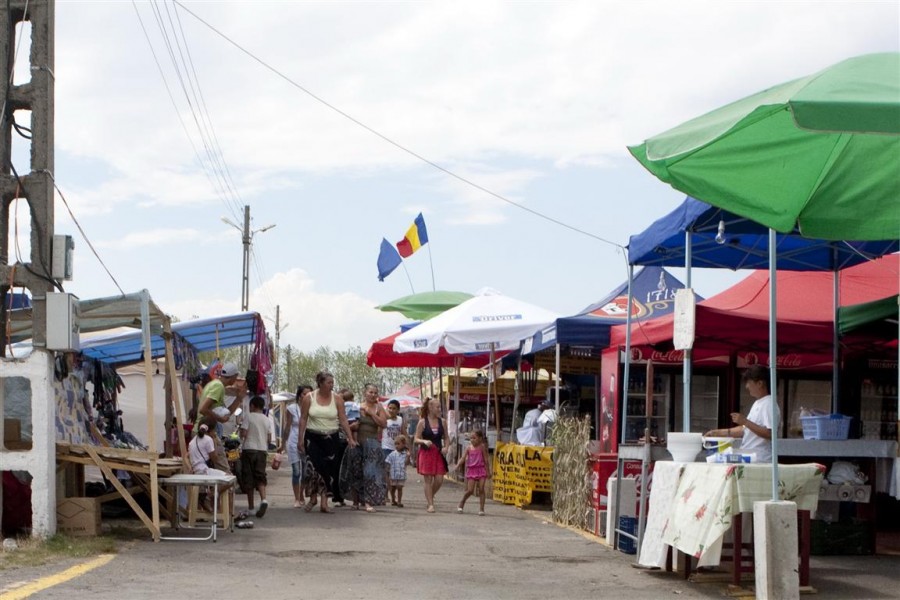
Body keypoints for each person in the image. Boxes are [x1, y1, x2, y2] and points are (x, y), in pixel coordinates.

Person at [298, 370, 357, 513]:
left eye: (332, 382)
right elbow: (304, 418)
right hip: (313, 438)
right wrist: (300, 439)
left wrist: (350, 437)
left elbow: (343, 419)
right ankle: (313, 498)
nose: (332, 385)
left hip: (331, 438)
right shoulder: (309, 398)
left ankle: (324, 502)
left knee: (328, 470)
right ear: (320, 383)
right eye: (329, 382)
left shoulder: (337, 399)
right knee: (313, 469)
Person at [705, 365, 778, 463]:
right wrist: (718, 432)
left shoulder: (769, 403)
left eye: (749, 382)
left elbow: (770, 433)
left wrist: (745, 421)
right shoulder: (759, 403)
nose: (747, 386)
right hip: (751, 456)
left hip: (760, 458)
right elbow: (746, 430)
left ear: (760, 383)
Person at [196, 362, 247, 471]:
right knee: (225, 473)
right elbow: (203, 409)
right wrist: (220, 419)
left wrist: (238, 399)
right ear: (233, 377)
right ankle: (219, 488)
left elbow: (226, 414)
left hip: (205, 432)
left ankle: (213, 488)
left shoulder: (214, 384)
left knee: (206, 471)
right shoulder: (218, 387)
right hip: (207, 433)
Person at [347, 383, 388, 512]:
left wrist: (371, 414)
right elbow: (349, 424)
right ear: (365, 393)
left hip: (372, 443)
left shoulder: (379, 407)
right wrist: (352, 434)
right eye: (370, 392)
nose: (373, 395)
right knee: (356, 471)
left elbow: (383, 424)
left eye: (375, 393)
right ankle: (355, 501)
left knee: (370, 473)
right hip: (358, 442)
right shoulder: (357, 407)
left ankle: (368, 502)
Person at [414, 397, 450, 513]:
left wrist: (446, 447)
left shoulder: (442, 422)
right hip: (426, 453)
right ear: (430, 408)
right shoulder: (422, 422)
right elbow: (416, 439)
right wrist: (423, 441)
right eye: (437, 407)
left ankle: (430, 495)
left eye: (440, 407)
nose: (439, 409)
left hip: (438, 453)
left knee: (439, 479)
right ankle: (430, 504)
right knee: (428, 479)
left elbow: (446, 437)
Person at [240, 396, 272, 517]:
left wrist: (241, 433)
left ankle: (251, 507)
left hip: (249, 449)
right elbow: (269, 438)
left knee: (249, 478)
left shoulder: (249, 416)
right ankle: (264, 499)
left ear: (252, 406)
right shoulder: (267, 419)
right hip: (262, 450)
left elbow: (244, 433)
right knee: (260, 476)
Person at [282, 384, 312, 508]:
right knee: (296, 471)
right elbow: (287, 426)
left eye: (309, 394)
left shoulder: (312, 408)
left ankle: (301, 494)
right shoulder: (291, 408)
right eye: (305, 394)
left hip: (307, 441)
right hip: (293, 441)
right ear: (299, 395)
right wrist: (283, 444)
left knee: (306, 471)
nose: (307, 396)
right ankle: (296, 498)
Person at [455, 429, 491, 516]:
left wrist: (488, 471)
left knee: (481, 489)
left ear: (480, 439)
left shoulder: (482, 447)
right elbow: (463, 458)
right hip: (472, 470)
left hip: (481, 469)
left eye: (474, 438)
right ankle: (462, 502)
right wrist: (458, 465)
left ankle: (481, 509)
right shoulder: (468, 448)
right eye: (471, 438)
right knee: (470, 490)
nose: (472, 440)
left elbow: (486, 460)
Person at [382, 399, 404, 487]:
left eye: (394, 408)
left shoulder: (400, 420)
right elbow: (378, 432)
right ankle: (386, 493)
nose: (391, 410)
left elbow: (403, 433)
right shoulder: (384, 420)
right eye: (389, 408)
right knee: (386, 471)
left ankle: (393, 493)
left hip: (397, 449)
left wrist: (407, 447)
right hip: (386, 447)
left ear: (398, 410)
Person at [384, 434, 410, 507]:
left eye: (398, 444)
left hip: (401, 474)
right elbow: (388, 462)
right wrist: (387, 471)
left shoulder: (405, 454)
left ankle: (399, 501)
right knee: (393, 488)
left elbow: (407, 463)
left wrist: (408, 457)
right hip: (393, 474)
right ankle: (393, 499)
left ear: (403, 444)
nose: (396, 446)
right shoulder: (392, 454)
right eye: (395, 444)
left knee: (399, 487)